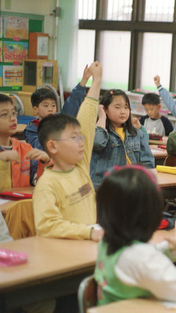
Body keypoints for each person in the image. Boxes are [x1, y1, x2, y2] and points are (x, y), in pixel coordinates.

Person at [94, 165, 176, 306]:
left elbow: (143, 260)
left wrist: (173, 249)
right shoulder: (138, 257)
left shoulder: (107, 241)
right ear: (151, 212)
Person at [34, 61, 104, 241]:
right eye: (74, 138)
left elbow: (87, 121)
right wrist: (87, 232)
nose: (82, 142)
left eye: (80, 137)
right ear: (53, 146)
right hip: (65, 254)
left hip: (88, 246)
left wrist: (96, 82)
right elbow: (47, 226)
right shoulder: (47, 184)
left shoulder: (80, 166)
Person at [90, 89, 155, 189]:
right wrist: (102, 117)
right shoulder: (98, 132)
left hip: (132, 186)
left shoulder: (137, 134)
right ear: (105, 109)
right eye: (117, 107)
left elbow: (148, 163)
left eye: (126, 107)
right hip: (105, 187)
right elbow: (97, 142)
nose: (123, 111)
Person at [23, 65, 92, 150]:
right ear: (35, 109)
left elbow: (72, 103)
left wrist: (84, 80)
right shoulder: (31, 129)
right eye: (46, 105)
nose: (50, 109)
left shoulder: (60, 122)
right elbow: (40, 148)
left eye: (53, 105)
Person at [0, 94, 51, 190]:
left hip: (21, 204)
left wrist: (45, 162)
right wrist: (2, 160)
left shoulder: (25, 149)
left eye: (13, 113)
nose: (13, 118)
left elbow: (39, 184)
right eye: (4, 114)